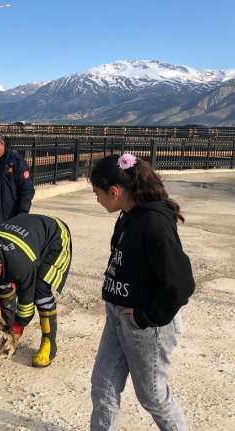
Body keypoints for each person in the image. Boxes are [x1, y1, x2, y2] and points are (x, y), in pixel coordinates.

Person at [88, 153, 195, 431]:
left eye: (97, 193)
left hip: (145, 326)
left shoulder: (153, 223)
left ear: (114, 191)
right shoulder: (128, 215)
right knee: (103, 385)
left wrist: (144, 317)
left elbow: (180, 285)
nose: (96, 199)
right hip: (117, 315)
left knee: (153, 396)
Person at [0, 213, 72, 367]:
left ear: (0, 266)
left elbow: (26, 300)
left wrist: (18, 327)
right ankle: (7, 324)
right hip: (25, 236)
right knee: (1, 283)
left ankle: (49, 343)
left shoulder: (20, 266)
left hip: (54, 237)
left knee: (40, 291)